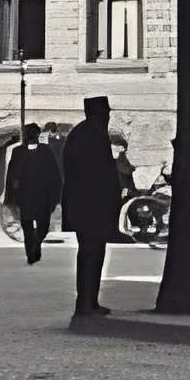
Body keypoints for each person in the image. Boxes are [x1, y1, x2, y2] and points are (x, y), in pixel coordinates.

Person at [61, 97, 124, 320]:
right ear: (93, 114)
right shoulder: (90, 136)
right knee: (91, 254)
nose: (106, 118)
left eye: (106, 113)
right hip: (90, 208)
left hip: (89, 207)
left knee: (92, 254)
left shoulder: (85, 134)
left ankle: (88, 302)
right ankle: (86, 304)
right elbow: (94, 175)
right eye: (102, 114)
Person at [5, 123, 60, 264]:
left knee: (43, 227)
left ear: (37, 135)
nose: (30, 135)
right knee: (27, 227)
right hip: (25, 196)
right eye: (28, 133)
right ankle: (31, 254)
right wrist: (11, 197)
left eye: (32, 133)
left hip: (43, 196)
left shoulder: (46, 151)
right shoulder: (17, 152)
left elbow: (55, 175)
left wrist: (54, 197)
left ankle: (36, 243)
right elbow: (11, 175)